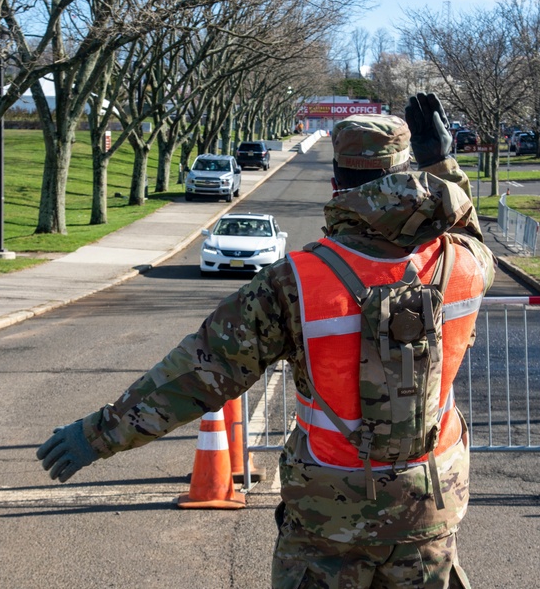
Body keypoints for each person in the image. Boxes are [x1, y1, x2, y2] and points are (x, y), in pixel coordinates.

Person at [37, 93, 496, 589]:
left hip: (328, 518)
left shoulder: (295, 282)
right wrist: (442, 167)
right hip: (429, 506)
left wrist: (98, 434)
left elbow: (199, 372)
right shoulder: (465, 262)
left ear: (337, 181)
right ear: (409, 176)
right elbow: (462, 222)